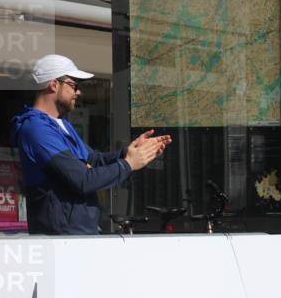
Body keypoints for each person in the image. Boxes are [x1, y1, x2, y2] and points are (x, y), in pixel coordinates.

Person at [11, 54, 171, 234]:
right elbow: (83, 180)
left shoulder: (62, 125)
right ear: (54, 84)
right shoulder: (36, 129)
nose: (78, 92)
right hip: (60, 239)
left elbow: (93, 159)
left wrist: (129, 151)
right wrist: (128, 164)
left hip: (80, 234)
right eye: (74, 85)